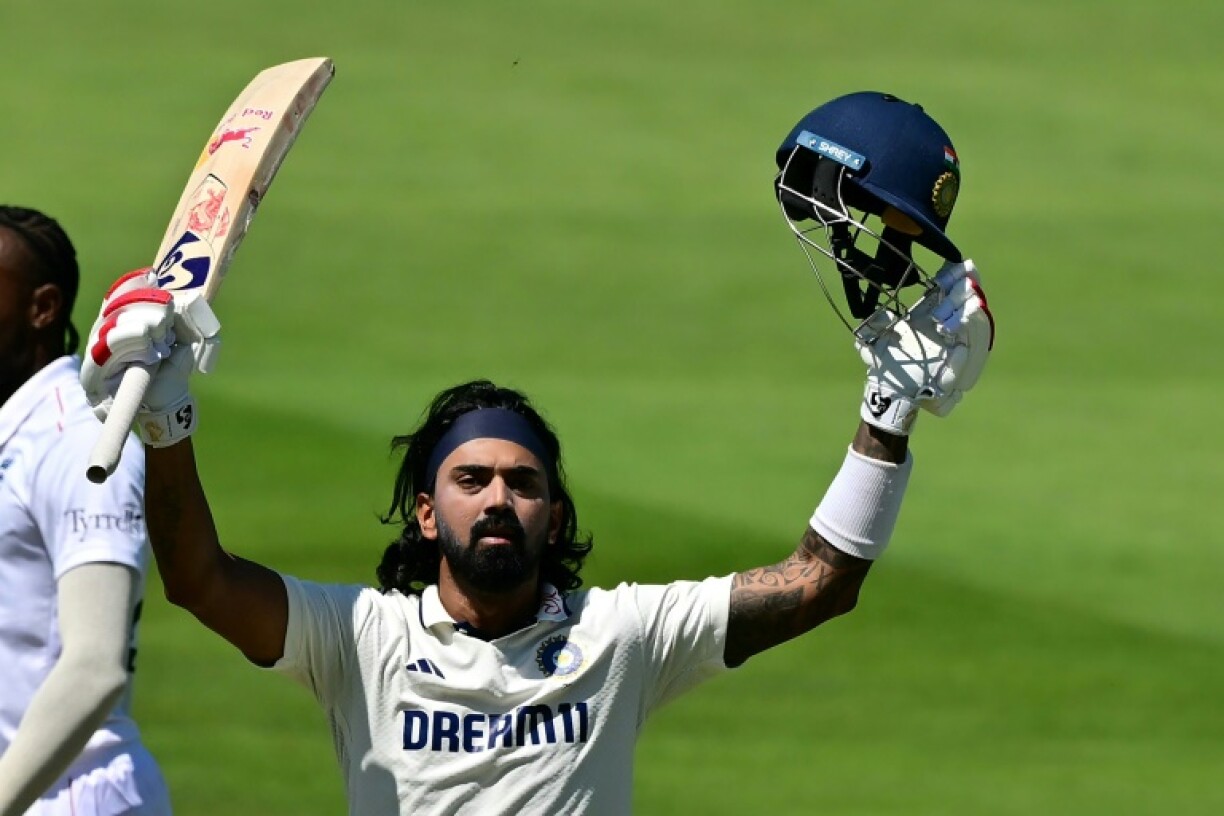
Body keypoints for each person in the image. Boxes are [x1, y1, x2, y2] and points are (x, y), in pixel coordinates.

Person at [78, 91, 995, 814]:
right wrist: (167, 423)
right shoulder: (360, 640)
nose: (498, 499)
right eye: (470, 479)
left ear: (554, 516)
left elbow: (819, 583)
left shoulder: (621, 639)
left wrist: (887, 416)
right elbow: (199, 581)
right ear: (427, 512)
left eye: (523, 483)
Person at [0, 206, 171, 816]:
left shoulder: (76, 441)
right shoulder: (20, 432)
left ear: (43, 308)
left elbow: (95, 667)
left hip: (71, 794)